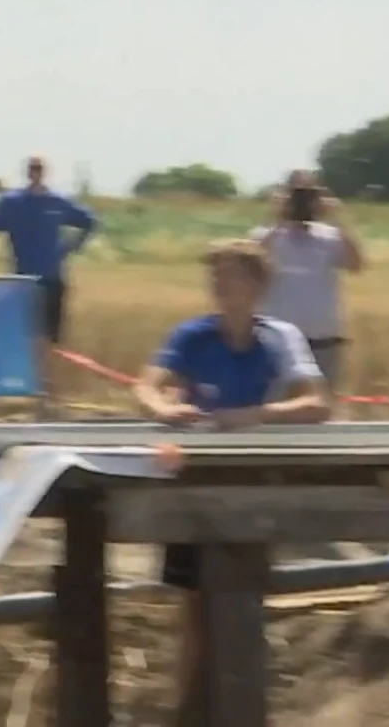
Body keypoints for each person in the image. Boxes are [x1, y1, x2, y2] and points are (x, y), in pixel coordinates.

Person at [130, 239, 331, 723]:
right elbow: (144, 386)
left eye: (232, 276)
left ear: (259, 285)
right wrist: (164, 409)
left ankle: (238, 707)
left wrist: (254, 415)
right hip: (195, 477)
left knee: (243, 596)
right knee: (193, 607)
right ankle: (188, 709)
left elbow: (317, 405)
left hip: (250, 477)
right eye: (215, 277)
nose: (221, 286)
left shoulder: (280, 337)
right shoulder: (193, 335)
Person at [0, 156, 98, 389]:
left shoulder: (58, 202)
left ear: (45, 172)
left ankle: (42, 385)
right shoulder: (12, 202)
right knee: (22, 332)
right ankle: (18, 382)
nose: (36, 172)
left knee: (48, 336)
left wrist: (71, 247)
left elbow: (90, 221)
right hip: (23, 279)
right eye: (32, 168)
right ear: (26, 172)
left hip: (52, 276)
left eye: (39, 168)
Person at [250, 170, 365, 399]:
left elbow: (355, 265)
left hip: (324, 341)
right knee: (272, 405)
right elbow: (249, 262)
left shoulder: (331, 236)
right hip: (275, 341)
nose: (302, 203)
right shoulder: (266, 235)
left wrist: (336, 218)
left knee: (321, 408)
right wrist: (277, 218)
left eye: (308, 196)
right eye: (296, 196)